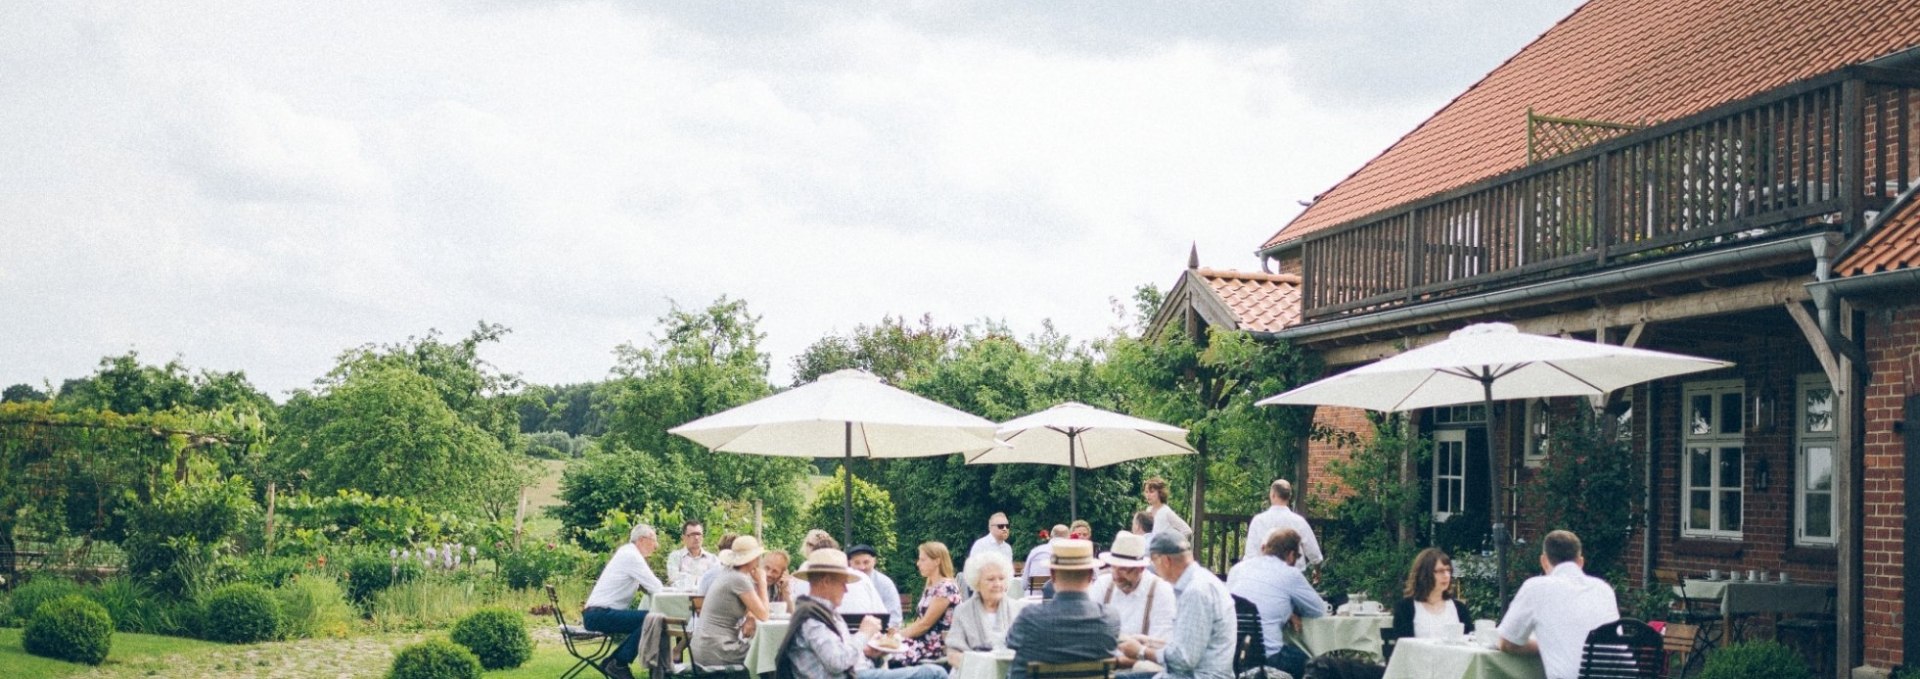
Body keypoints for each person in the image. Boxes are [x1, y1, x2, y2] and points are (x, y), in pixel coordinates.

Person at [772, 548, 945, 679]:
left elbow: (840, 654)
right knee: (934, 673)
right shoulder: (812, 619)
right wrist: (864, 633)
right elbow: (837, 663)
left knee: (932, 672)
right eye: (842, 583)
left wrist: (868, 652)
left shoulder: (820, 612)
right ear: (825, 582)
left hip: (857, 672)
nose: (846, 589)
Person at [1497, 530, 1620, 679]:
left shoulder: (1536, 588)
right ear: (1580, 562)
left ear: (1543, 561)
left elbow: (1508, 643)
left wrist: (1543, 645)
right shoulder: (1603, 589)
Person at [1117, 532, 1232, 679]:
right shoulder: (1201, 581)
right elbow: (1190, 645)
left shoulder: (1195, 592)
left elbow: (1183, 661)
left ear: (1165, 560)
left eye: (1153, 561)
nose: (1152, 568)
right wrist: (1151, 642)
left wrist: (1141, 651)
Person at [1004, 539, 1120, 679]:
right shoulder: (1109, 619)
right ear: (1090, 576)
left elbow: (1009, 643)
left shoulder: (1029, 618)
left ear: (1052, 575)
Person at [1226, 529, 1327, 678]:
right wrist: (1293, 609)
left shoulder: (1237, 569)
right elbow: (1318, 610)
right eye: (1298, 556)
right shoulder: (1290, 574)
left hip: (1233, 654)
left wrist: (1289, 612)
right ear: (1291, 554)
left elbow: (1246, 603)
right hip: (1268, 657)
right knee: (1319, 666)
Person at [583, 523, 664, 679]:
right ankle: (618, 662)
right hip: (600, 614)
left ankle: (617, 662)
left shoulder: (626, 552)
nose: (656, 546)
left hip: (596, 613)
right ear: (642, 540)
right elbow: (657, 586)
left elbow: (647, 586)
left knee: (650, 619)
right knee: (654, 619)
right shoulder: (632, 556)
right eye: (654, 540)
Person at [1089, 531, 1176, 666]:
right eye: (1113, 567)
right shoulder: (1102, 585)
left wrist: (1118, 662)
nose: (1116, 576)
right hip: (1103, 668)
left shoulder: (1161, 591)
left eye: (1124, 569)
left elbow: (1161, 649)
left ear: (1141, 568)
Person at [692, 535, 772, 668]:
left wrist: (751, 615)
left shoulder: (727, 573)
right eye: (758, 556)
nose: (759, 560)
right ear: (752, 559)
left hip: (703, 647)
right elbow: (764, 615)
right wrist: (762, 583)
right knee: (769, 652)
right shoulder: (739, 579)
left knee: (763, 651)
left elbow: (751, 609)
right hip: (718, 650)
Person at [946, 550, 1018, 668]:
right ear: (977, 582)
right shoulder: (963, 611)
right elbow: (953, 654)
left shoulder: (1018, 610)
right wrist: (981, 667)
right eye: (990, 579)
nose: (997, 584)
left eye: (1001, 578)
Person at [896, 541, 962, 665]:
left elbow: (925, 625)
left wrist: (897, 636)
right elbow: (919, 621)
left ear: (937, 561)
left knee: (889, 655)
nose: (918, 563)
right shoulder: (931, 586)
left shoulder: (946, 588)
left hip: (936, 645)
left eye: (922, 560)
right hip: (922, 641)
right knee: (878, 651)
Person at [1387, 548, 1471, 644]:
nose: (1446, 575)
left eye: (1448, 570)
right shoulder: (1405, 608)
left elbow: (1470, 643)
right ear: (1424, 574)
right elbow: (1404, 649)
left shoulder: (1460, 608)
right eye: (1440, 571)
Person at [1243, 480, 1323, 567]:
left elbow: (1251, 553)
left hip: (1265, 572)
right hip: (1293, 572)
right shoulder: (1299, 521)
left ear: (1272, 495)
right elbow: (1313, 550)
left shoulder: (1258, 520)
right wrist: (1317, 569)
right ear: (1289, 497)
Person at [848, 545, 904, 628]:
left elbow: (894, 617)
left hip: (879, 632)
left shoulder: (885, 583)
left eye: (866, 562)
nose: (862, 567)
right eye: (857, 563)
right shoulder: (843, 583)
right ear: (850, 563)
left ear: (874, 561)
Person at [669, 520, 720, 590]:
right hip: (680, 598)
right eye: (692, 534)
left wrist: (687, 578)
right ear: (684, 538)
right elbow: (673, 577)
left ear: (702, 536)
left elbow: (716, 580)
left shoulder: (713, 559)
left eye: (698, 534)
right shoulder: (675, 556)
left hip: (706, 599)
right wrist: (698, 578)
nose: (696, 538)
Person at [1142, 477, 1193, 542]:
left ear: (1160, 493)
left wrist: (1174, 546)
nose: (1148, 495)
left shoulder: (1166, 511)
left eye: (1151, 492)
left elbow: (1187, 530)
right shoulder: (1148, 510)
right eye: (1146, 492)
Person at [1022, 524, 1068, 590]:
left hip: (1032, 597)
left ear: (1051, 536)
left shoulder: (1035, 551)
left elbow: (1024, 585)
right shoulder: (1070, 553)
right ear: (1068, 537)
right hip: (1059, 597)